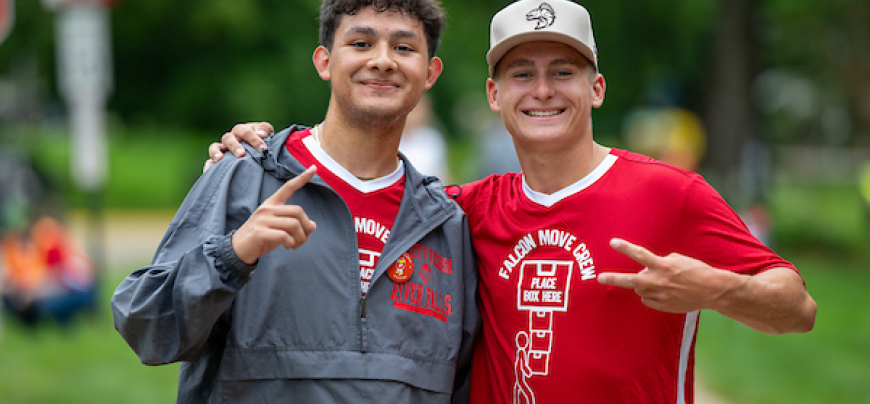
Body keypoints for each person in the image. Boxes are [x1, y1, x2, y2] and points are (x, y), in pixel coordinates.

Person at [208, 1, 817, 403]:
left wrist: (713, 290)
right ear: (495, 95)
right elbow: (363, 188)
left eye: (565, 71)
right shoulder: (462, 209)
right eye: (522, 74)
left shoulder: (669, 192)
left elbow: (797, 307)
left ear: (596, 87)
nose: (544, 90)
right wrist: (260, 150)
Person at [111, 1, 479, 403]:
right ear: (324, 62)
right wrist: (232, 256)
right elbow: (146, 328)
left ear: (430, 73)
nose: (382, 60)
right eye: (361, 43)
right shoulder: (245, 176)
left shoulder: (444, 224)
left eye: (404, 48)